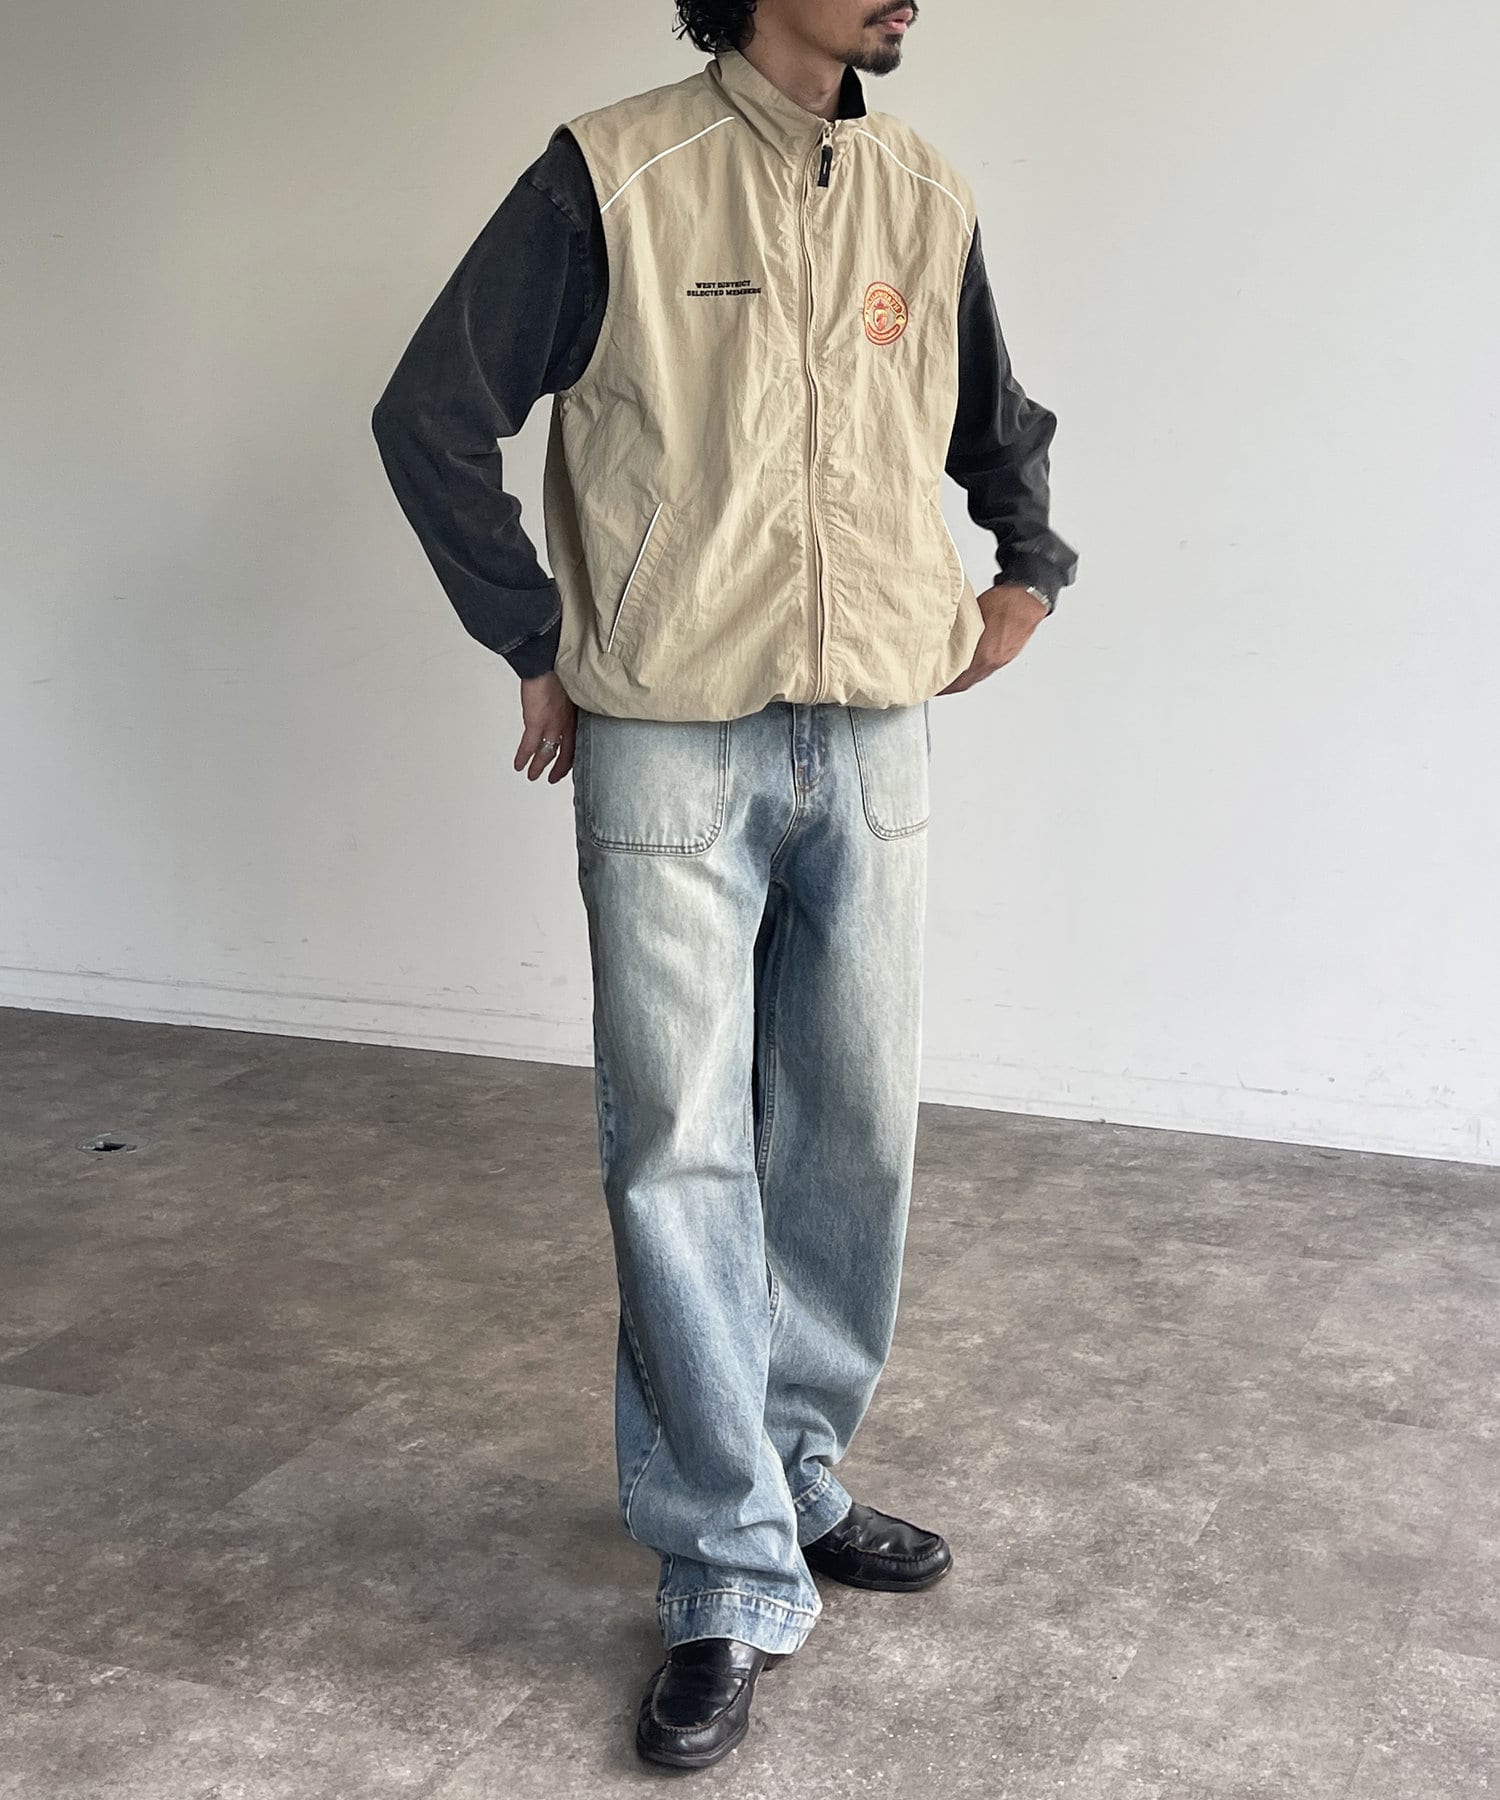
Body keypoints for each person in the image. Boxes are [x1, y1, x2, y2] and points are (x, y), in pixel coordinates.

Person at [372, 0, 1076, 1773]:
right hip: (672, 736)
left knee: (851, 1132)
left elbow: (994, 416)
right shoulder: (615, 174)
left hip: (879, 725)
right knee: (682, 1143)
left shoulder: (924, 190)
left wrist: (1029, 563)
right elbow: (430, 415)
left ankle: (798, 1472)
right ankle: (720, 1570)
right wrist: (535, 640)